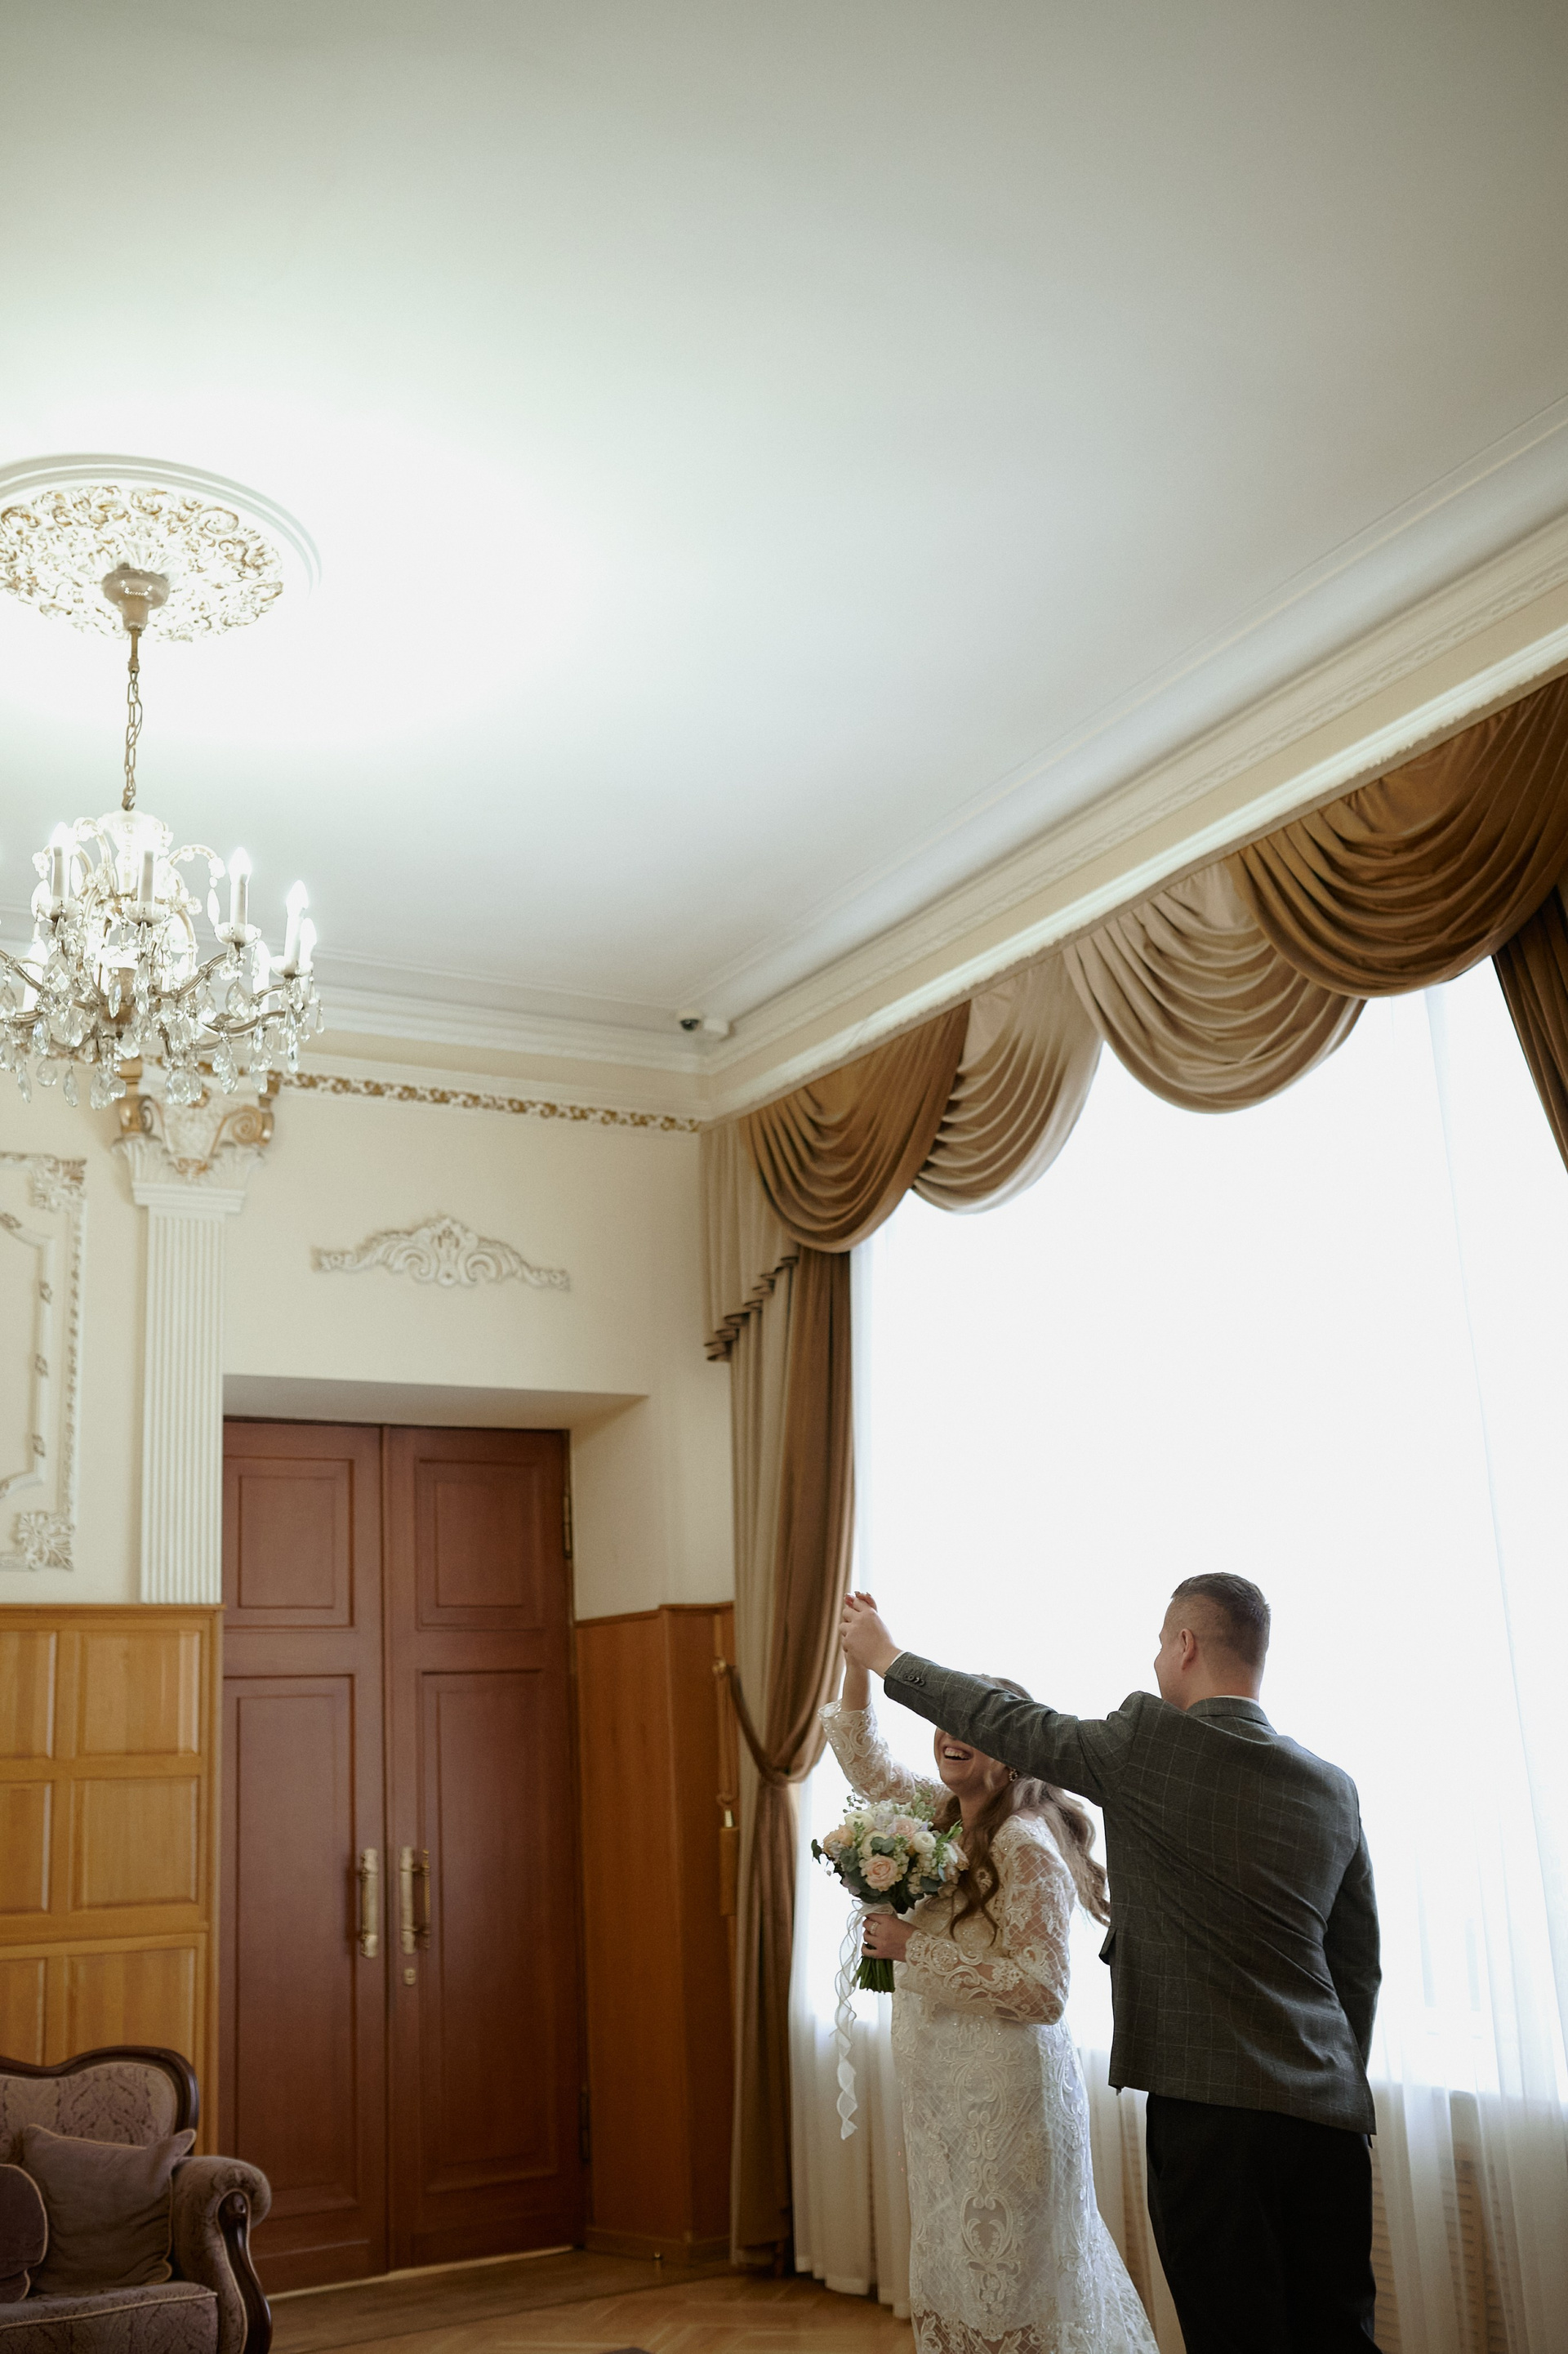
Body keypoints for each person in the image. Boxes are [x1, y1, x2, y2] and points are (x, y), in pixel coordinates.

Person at [840, 1573, 1382, 2354]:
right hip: (1329, 2112)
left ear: (1185, 1645)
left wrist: (888, 1657)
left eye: (1162, 1643)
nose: (1157, 1660)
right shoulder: (1333, 1787)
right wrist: (1332, 2072)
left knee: (1236, 2335)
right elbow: (1356, 1966)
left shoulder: (1148, 1744)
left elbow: (1011, 1722)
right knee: (1338, 2335)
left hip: (1212, 2120)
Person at [824, 1598, 1158, 2354]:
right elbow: (863, 1761)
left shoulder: (1024, 1843)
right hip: (940, 2096)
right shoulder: (944, 1813)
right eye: (947, 1722)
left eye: (972, 1728)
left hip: (1004, 2100)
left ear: (1011, 1756)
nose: (952, 1736)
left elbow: (1043, 1992)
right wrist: (855, 1665)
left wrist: (913, 1949)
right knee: (960, 2279)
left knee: (1015, 2287)